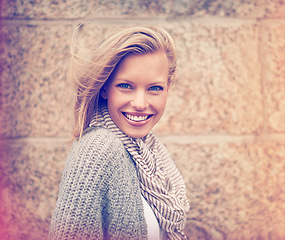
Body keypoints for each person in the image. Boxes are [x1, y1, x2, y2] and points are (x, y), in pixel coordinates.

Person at [48, 26, 190, 240]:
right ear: (105, 87)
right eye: (125, 86)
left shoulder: (149, 151)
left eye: (154, 88)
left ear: (168, 87)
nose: (140, 104)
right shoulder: (98, 149)